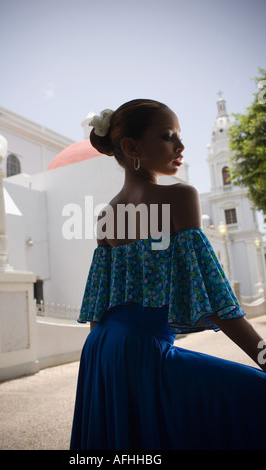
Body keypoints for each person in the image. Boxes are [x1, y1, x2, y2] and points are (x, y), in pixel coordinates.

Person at [70, 99, 266, 450]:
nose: (180, 146)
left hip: (100, 350)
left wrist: (100, 371)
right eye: (167, 136)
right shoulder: (179, 197)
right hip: (144, 351)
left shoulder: (105, 216)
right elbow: (218, 299)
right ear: (131, 147)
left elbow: (100, 303)